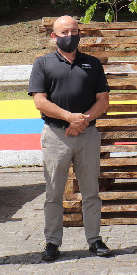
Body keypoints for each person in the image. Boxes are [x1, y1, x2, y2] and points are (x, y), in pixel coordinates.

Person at [29, 15, 112, 261]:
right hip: (56, 135)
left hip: (87, 134)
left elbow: (103, 100)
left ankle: (94, 239)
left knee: (91, 191)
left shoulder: (92, 63)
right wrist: (69, 118)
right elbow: (40, 101)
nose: (70, 36)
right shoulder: (42, 64)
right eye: (64, 32)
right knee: (54, 192)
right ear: (53, 36)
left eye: (74, 31)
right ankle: (52, 242)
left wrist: (82, 120)